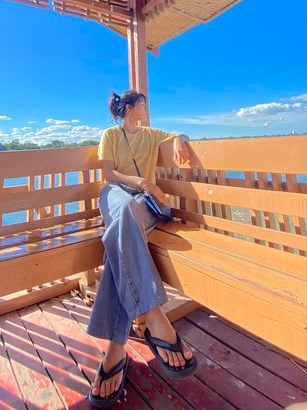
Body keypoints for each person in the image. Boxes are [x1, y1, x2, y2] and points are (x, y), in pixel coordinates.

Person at [87, 90, 198, 407]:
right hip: (115, 196)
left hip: (142, 205)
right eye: (143, 104)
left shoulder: (151, 135)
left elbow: (178, 134)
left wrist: (180, 138)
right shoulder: (110, 135)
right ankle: (155, 315)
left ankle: (115, 351)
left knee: (118, 236)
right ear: (130, 107)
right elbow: (108, 174)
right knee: (123, 214)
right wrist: (144, 182)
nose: (147, 109)